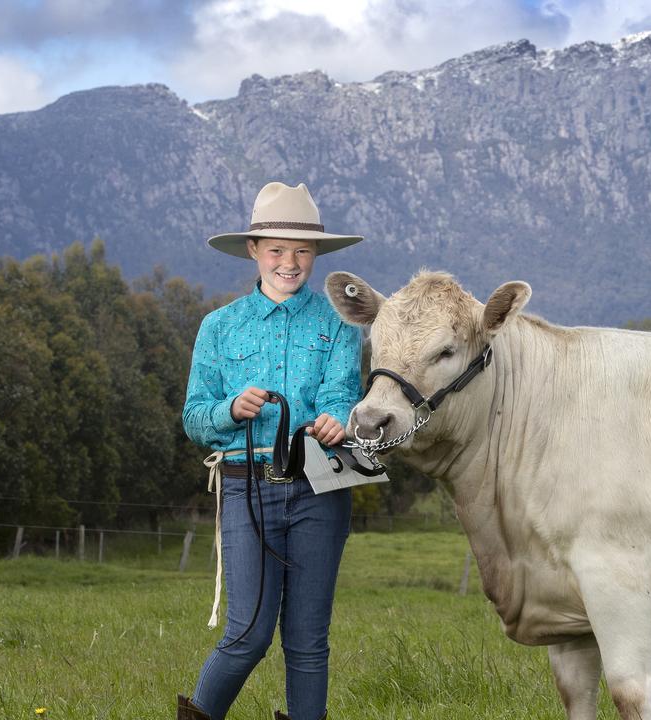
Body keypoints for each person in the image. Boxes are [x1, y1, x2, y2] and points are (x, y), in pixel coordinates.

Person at [178, 182, 364, 720]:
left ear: (316, 257)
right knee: (249, 633)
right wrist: (230, 410)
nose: (289, 261)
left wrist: (337, 421)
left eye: (301, 251)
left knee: (308, 641)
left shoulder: (340, 322)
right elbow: (194, 418)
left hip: (320, 484)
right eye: (276, 250)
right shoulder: (218, 327)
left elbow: (343, 397)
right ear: (253, 251)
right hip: (246, 487)